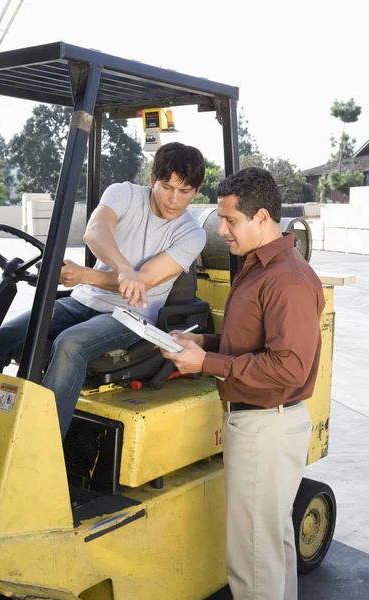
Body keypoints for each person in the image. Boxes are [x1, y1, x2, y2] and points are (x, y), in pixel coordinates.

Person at [162, 167, 325, 600]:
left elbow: (287, 367)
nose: (221, 230)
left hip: (264, 426)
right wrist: (203, 343)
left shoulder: (285, 278)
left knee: (252, 561)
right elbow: (249, 344)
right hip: (260, 423)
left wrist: (208, 363)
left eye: (230, 220)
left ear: (262, 217)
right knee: (270, 549)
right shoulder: (257, 269)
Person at [0, 142, 207, 438]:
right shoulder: (124, 193)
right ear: (151, 180)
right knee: (2, 335)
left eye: (184, 192)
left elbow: (142, 282)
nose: (173, 199)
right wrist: (122, 268)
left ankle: (40, 448)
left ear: (196, 191)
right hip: (82, 301)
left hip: (131, 315)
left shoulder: (192, 234)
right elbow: (95, 232)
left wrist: (85, 275)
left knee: (71, 344)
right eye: (167, 187)